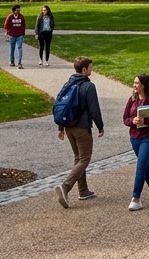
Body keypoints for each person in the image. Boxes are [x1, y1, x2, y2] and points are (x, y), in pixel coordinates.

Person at [54, 56, 104, 208]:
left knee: (78, 157)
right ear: (84, 69)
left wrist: (61, 127)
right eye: (90, 67)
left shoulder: (68, 83)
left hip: (68, 126)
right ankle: (66, 187)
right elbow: (94, 108)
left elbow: (61, 104)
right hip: (82, 128)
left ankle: (83, 190)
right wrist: (100, 126)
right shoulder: (89, 86)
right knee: (85, 159)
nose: (92, 69)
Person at [122, 73, 149, 211]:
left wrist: (146, 121)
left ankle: (136, 198)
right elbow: (125, 118)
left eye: (137, 83)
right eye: (134, 83)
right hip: (134, 137)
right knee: (145, 165)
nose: (134, 85)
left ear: (144, 85)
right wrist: (132, 121)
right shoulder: (132, 99)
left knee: (140, 166)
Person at [4, 3, 27, 68]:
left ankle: (19, 62)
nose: (18, 12)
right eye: (17, 10)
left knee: (20, 48)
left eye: (19, 10)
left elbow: (23, 26)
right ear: (14, 11)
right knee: (12, 48)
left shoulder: (21, 17)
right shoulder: (10, 17)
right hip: (12, 34)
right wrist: (6, 33)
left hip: (19, 35)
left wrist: (23, 34)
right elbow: (6, 26)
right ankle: (12, 61)